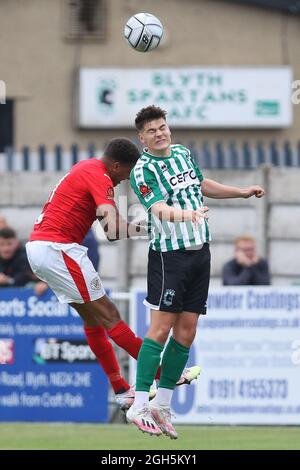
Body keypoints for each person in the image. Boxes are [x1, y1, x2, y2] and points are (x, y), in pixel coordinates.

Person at [26, 138, 198, 411]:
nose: (123, 182)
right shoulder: (100, 176)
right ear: (116, 166)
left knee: (93, 319)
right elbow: (113, 230)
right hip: (58, 248)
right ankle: (165, 374)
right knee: (111, 316)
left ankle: (120, 388)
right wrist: (151, 228)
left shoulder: (85, 168)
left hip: (41, 248)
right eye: (126, 175)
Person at [127, 105, 265, 438]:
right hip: (169, 256)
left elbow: (201, 185)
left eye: (163, 126)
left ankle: (162, 404)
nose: (160, 133)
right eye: (152, 130)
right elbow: (158, 208)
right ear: (142, 138)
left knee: (187, 331)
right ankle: (138, 404)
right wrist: (186, 216)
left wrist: (240, 192)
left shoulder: (183, 154)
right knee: (160, 329)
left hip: (200, 252)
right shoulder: (142, 169)